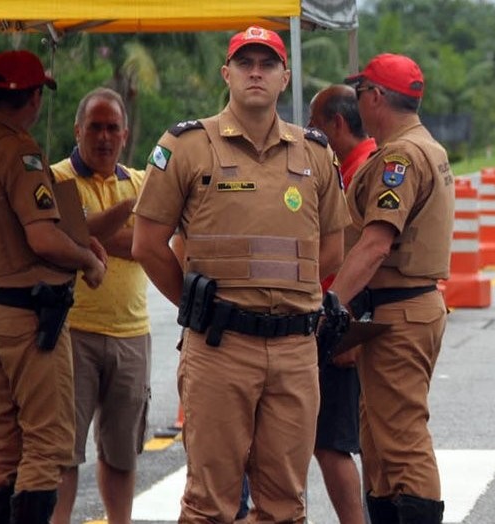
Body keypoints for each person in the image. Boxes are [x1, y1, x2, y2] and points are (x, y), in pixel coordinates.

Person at [131, 26, 349, 522]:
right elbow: (146, 244)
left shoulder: (314, 153)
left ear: (284, 77)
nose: (256, 71)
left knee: (285, 506)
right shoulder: (187, 145)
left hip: (294, 350)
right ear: (226, 72)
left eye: (267, 63)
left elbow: (333, 251)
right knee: (210, 505)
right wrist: (196, 303)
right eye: (245, 62)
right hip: (219, 348)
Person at [0, 50, 107, 523]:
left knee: (5, 434)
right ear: (32, 97)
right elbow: (41, 237)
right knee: (46, 441)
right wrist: (86, 262)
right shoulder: (20, 152)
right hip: (29, 320)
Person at [331, 53, 454, 524]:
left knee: (402, 443)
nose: (358, 103)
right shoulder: (425, 147)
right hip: (397, 310)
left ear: (377, 97)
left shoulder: (401, 157)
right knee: (379, 445)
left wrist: (330, 305)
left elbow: (376, 244)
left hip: (398, 313)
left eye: (361, 93)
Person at [49, 87, 150, 524]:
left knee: (121, 452)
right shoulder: (56, 179)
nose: (104, 137)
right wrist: (127, 213)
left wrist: (93, 236)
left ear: (125, 135)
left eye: (112, 128)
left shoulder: (142, 179)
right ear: (78, 130)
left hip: (132, 333)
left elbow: (151, 242)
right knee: (63, 452)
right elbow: (71, 236)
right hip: (74, 332)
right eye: (95, 127)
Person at [306, 84, 378, 524]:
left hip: (343, 319)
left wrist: (345, 321)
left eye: (315, 125)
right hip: (344, 315)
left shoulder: (359, 172)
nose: (311, 135)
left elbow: (369, 252)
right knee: (359, 436)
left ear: (336, 124)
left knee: (331, 441)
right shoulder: (359, 166)